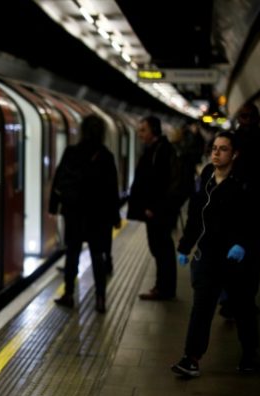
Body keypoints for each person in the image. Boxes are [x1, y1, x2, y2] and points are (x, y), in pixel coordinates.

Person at [171, 132, 258, 377]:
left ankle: (250, 353)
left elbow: (254, 219)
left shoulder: (243, 182)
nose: (217, 153)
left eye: (223, 149)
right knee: (201, 307)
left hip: (235, 258)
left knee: (242, 307)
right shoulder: (207, 175)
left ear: (235, 154)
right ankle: (191, 358)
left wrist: (242, 244)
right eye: (214, 148)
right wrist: (185, 247)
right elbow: (195, 216)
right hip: (208, 254)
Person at [49, 114, 121, 313]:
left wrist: (53, 207)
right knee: (97, 256)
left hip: (73, 213)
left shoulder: (72, 152)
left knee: (72, 253)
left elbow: (58, 180)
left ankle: (69, 294)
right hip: (97, 215)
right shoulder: (106, 156)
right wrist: (115, 217)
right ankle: (100, 298)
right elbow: (112, 189)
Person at [128, 116, 180, 300]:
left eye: (143, 130)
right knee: (159, 249)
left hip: (158, 211)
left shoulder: (161, 151)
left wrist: (154, 207)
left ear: (154, 131)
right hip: (155, 210)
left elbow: (161, 183)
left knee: (161, 249)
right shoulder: (157, 149)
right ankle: (163, 287)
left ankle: (164, 289)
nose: (140, 134)